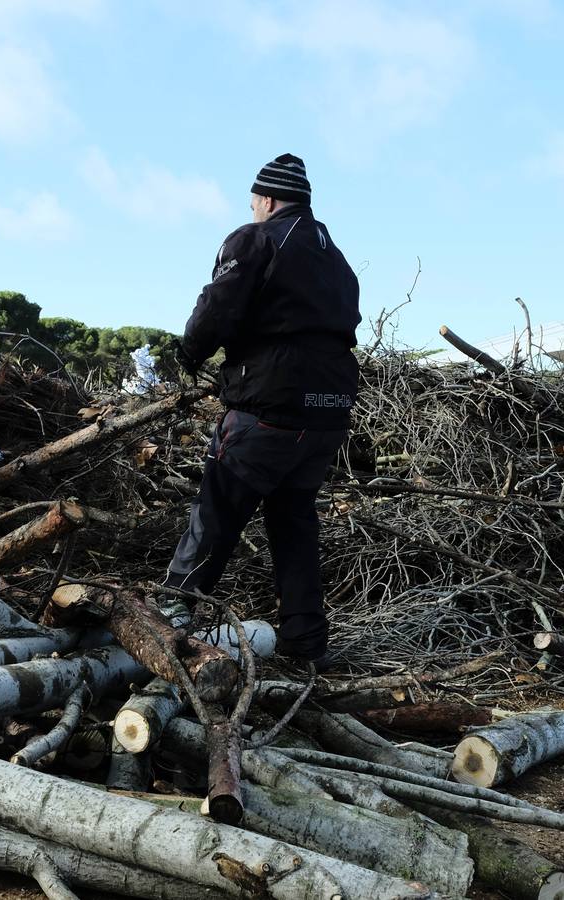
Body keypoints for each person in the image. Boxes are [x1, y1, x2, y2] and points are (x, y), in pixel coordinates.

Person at [166, 153, 361, 668]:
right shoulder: (334, 256)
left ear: (269, 200)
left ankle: (167, 622)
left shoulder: (255, 239)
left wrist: (189, 353)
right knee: (293, 522)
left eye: (255, 203)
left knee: (216, 515)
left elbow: (218, 306)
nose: (253, 210)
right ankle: (305, 645)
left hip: (268, 409)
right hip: (327, 414)